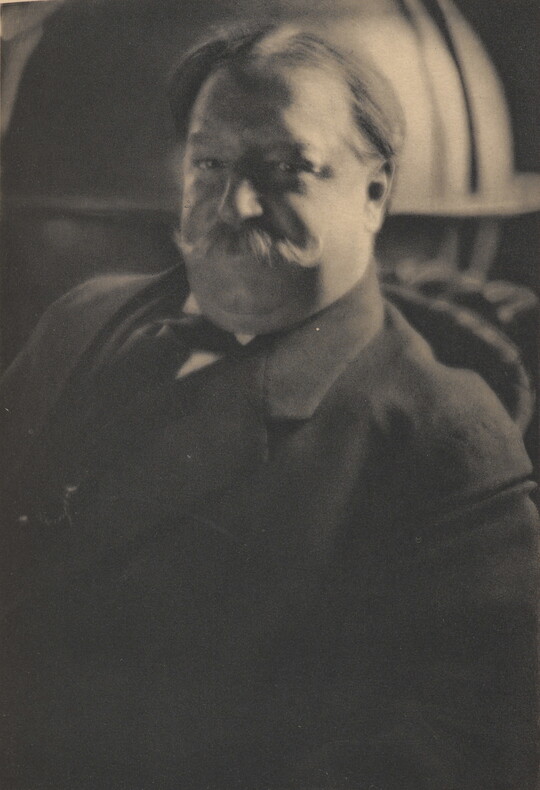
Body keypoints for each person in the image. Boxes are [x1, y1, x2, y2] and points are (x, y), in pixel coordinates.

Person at [1, 24, 538, 790]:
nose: (236, 203)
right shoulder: (82, 321)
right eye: (209, 163)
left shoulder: (447, 437)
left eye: (286, 167)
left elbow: (467, 752)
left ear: (375, 194)